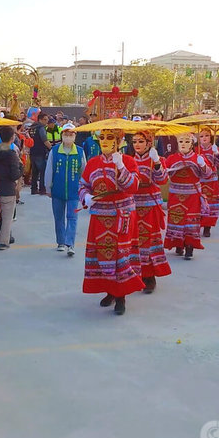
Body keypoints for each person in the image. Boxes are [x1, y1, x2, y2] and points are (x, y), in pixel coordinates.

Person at [78, 129, 143, 315]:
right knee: (103, 254)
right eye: (102, 138)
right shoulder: (92, 162)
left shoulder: (129, 161)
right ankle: (110, 291)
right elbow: (83, 185)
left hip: (122, 215)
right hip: (100, 216)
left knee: (119, 254)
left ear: (119, 140)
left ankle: (121, 296)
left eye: (110, 137)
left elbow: (133, 187)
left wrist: (121, 167)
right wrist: (87, 196)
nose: (105, 141)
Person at [130, 130, 171, 293]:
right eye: (134, 141)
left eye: (141, 141)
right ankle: (135, 274)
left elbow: (162, 180)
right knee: (134, 240)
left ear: (149, 143)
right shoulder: (129, 160)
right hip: (133, 204)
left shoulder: (158, 159)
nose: (137, 145)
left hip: (150, 204)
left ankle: (149, 276)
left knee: (149, 239)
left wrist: (157, 163)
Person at [164, 132, 212, 259]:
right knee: (177, 219)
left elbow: (208, 174)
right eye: (181, 142)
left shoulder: (198, 157)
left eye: (186, 141)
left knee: (190, 221)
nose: (183, 144)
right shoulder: (171, 158)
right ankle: (178, 244)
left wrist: (202, 165)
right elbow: (162, 176)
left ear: (192, 144)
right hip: (175, 195)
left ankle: (189, 246)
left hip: (192, 196)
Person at [46, 123, 86, 255]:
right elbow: (49, 170)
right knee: (58, 217)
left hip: (74, 191)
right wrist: (48, 186)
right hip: (57, 190)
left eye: (71, 134)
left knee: (72, 217)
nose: (68, 137)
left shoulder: (80, 151)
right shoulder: (55, 150)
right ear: (62, 135)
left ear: (75, 136)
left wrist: (84, 189)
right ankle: (61, 242)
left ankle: (70, 244)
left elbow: (83, 171)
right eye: (66, 134)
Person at [197, 128, 219, 237]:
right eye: (201, 136)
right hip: (199, 182)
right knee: (198, 205)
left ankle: (207, 228)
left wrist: (217, 153)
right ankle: (197, 226)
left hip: (211, 182)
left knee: (210, 205)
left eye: (206, 135)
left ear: (211, 137)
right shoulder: (195, 149)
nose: (204, 138)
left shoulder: (215, 148)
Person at [30, 113, 51, 194]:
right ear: (40, 119)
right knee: (42, 171)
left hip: (32, 151)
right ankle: (42, 189)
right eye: (45, 120)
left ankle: (34, 189)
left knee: (34, 172)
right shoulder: (41, 128)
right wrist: (51, 148)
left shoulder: (32, 127)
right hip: (40, 152)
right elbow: (45, 140)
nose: (47, 121)